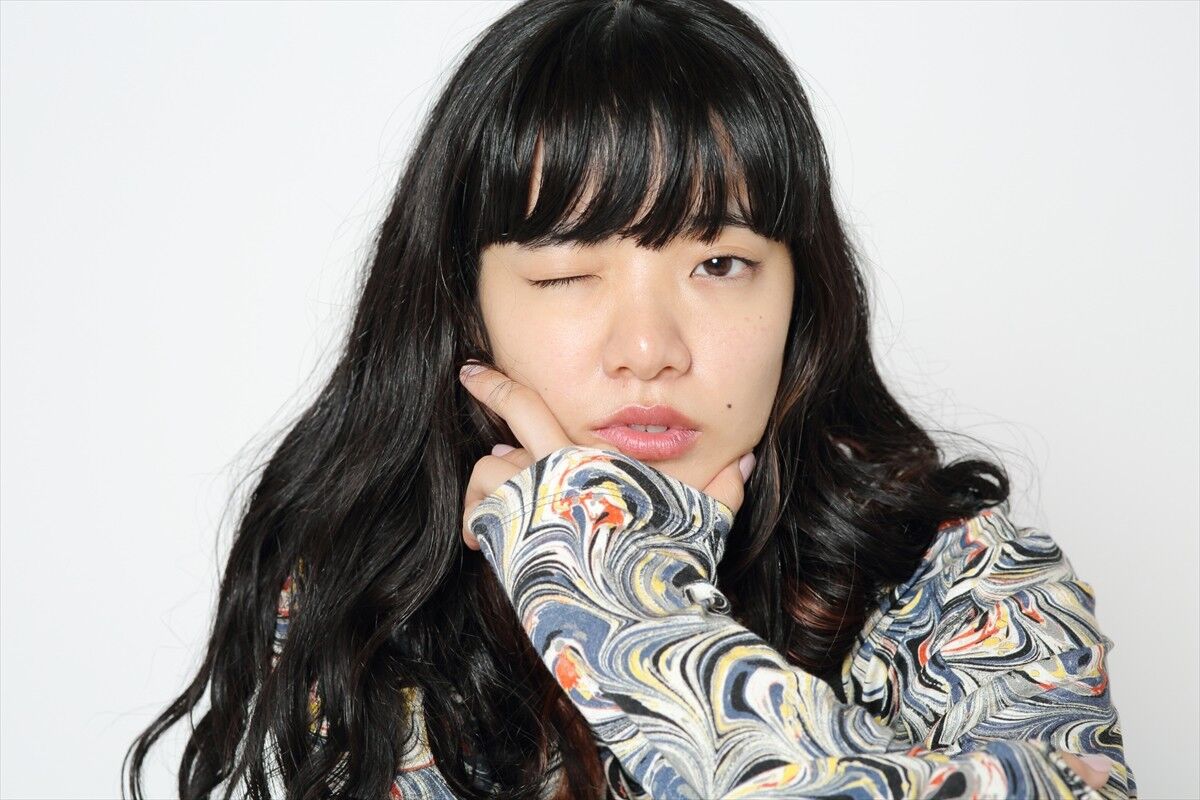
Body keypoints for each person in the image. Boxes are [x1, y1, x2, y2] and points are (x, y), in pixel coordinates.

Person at [123, 0, 1135, 798]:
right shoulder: (368, 592)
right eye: (568, 274)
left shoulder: (968, 585)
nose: (649, 350)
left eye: (722, 264)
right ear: (469, 309)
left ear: (803, 293)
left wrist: (609, 590)